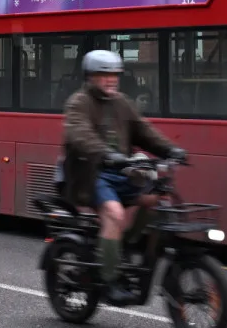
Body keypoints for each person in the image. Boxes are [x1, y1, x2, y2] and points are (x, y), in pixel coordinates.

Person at [61, 50, 185, 303]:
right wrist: (106, 153)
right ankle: (110, 279)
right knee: (114, 213)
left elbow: (143, 130)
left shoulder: (121, 102)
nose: (110, 80)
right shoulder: (79, 103)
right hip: (91, 174)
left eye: (114, 75)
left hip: (121, 172)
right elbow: (80, 135)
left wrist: (170, 149)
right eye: (103, 75)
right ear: (90, 77)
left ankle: (124, 245)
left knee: (158, 200)